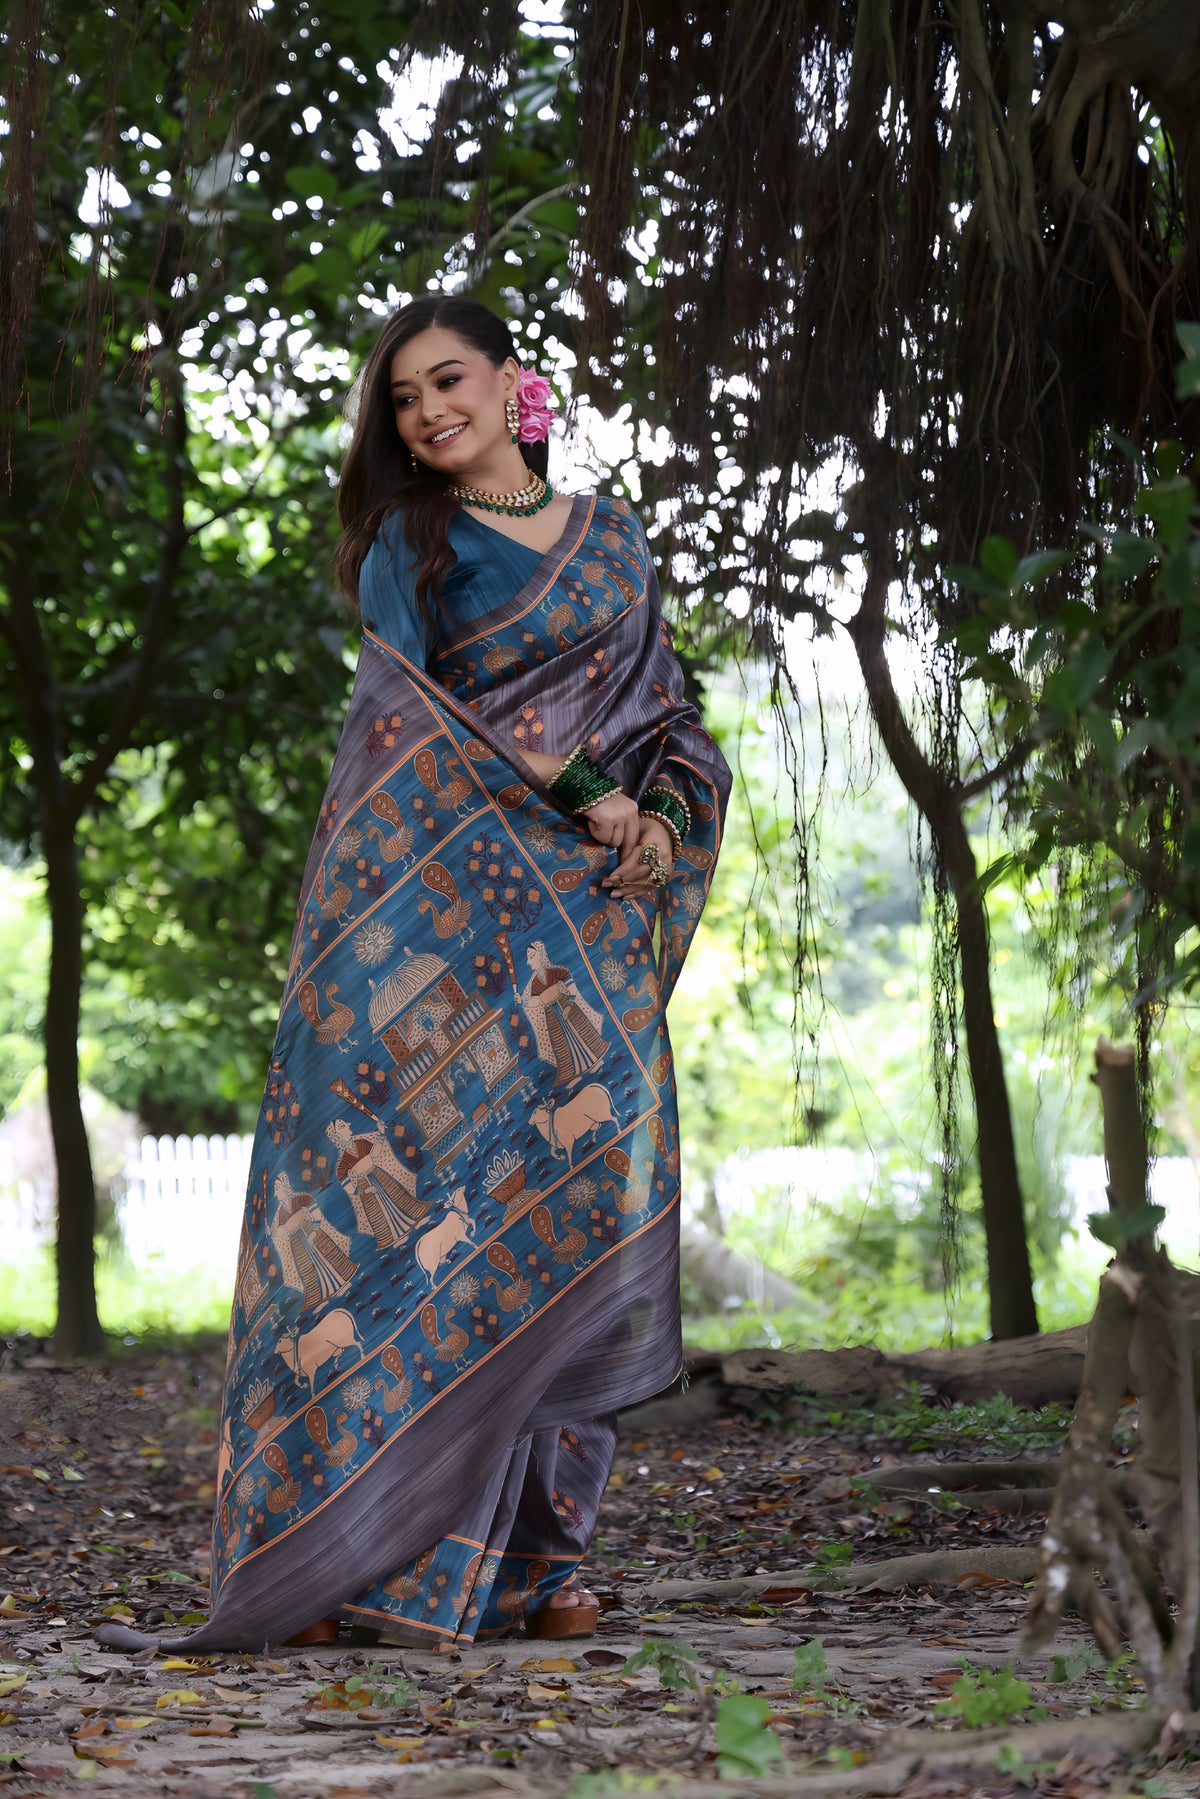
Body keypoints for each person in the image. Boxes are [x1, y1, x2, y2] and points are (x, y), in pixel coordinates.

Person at [99, 294, 730, 1653]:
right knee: (398, 1230)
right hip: (438, 936)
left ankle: (543, 1568)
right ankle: (358, 1566)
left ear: (514, 384)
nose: (428, 411)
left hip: (589, 936)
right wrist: (581, 791)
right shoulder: (412, 541)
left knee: (577, 1210)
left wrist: (661, 821)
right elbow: (407, 721)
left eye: (450, 381)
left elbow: (672, 713)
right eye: (402, 398)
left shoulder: (613, 538)